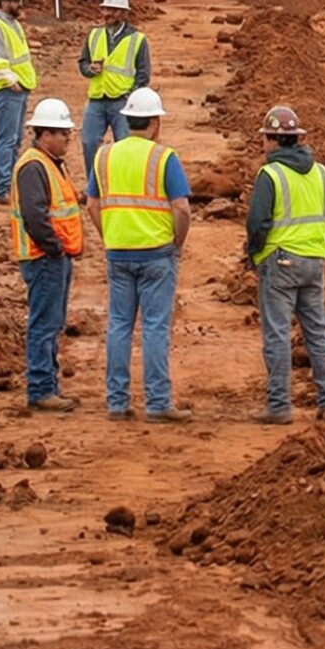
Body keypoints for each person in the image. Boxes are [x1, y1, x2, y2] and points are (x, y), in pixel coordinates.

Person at [88, 87, 193, 423]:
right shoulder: (164, 158)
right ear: (156, 124)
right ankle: (158, 402)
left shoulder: (103, 156)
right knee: (154, 327)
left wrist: (110, 234)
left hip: (118, 252)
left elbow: (92, 204)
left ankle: (117, 403)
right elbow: (182, 208)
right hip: (157, 253)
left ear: (127, 120)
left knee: (119, 324)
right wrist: (177, 243)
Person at [243, 106, 325, 424]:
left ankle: (279, 406)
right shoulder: (321, 173)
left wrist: (255, 255)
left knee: (277, 334)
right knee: (317, 332)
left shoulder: (270, 174)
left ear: (273, 139)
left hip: (280, 262)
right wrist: (315, 242)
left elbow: (257, 222)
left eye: (265, 139)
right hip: (314, 261)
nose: (263, 145)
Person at [10, 98, 85, 414]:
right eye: (63, 133)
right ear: (45, 134)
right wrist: (55, 248)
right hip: (44, 257)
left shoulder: (50, 163)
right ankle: (41, 389)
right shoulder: (33, 166)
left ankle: (48, 386)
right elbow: (35, 215)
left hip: (54, 256)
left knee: (53, 323)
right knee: (44, 324)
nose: (69, 138)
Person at [78, 0, 151, 166]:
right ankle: (94, 188)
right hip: (97, 99)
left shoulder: (137, 39)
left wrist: (131, 96)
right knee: (89, 143)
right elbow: (83, 63)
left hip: (122, 102)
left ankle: (123, 189)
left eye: (114, 10)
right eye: (106, 9)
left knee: (125, 148)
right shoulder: (94, 35)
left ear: (124, 13)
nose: (108, 14)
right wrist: (90, 69)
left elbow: (143, 73)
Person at [0, 0, 36, 202]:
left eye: (19, 0)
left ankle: (11, 183)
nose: (18, 4)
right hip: (7, 90)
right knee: (6, 139)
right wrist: (9, 81)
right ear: (1, 1)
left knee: (15, 139)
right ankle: (4, 188)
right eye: (13, 1)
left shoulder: (12, 24)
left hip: (19, 87)